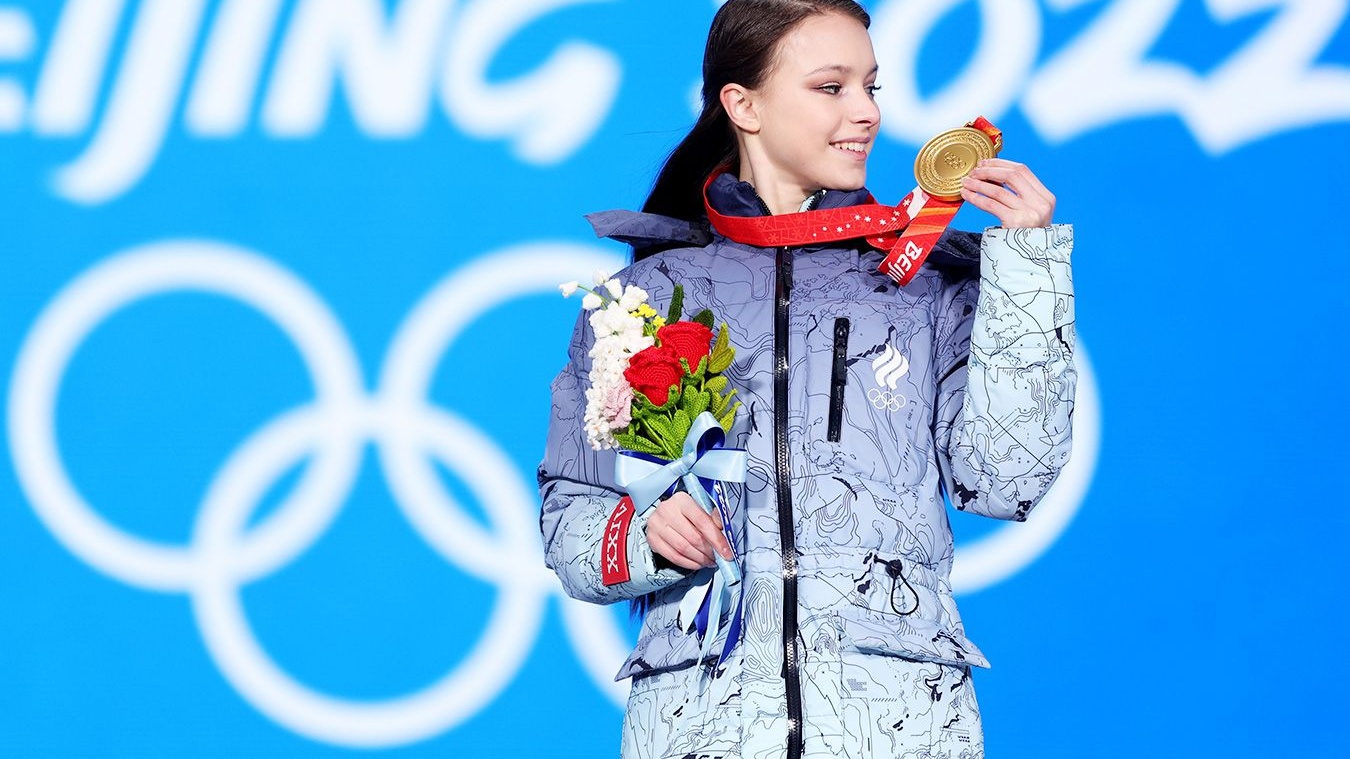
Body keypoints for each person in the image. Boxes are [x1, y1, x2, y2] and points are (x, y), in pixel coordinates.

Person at [539, 1, 1075, 756]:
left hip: (896, 728)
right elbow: (571, 526)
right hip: (702, 729)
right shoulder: (647, 300)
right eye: (832, 87)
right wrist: (647, 534)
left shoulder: (923, 283)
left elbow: (1006, 479)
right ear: (743, 104)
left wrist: (1027, 275)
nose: (865, 112)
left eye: (872, 87)